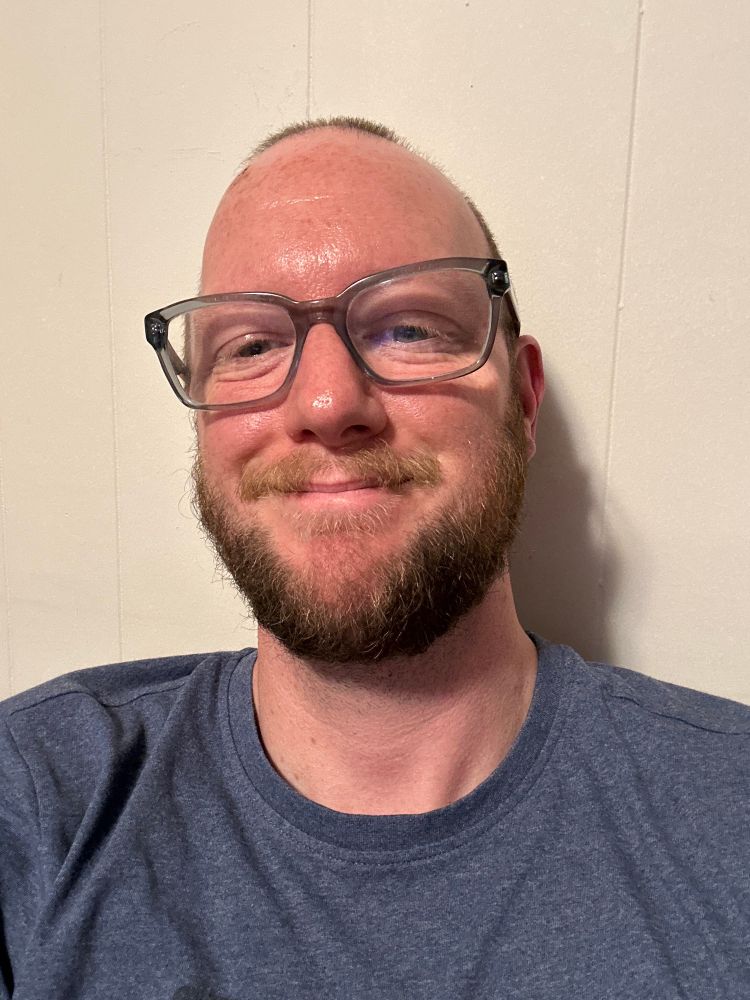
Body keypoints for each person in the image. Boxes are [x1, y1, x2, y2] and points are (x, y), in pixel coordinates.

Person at [1, 117, 748, 1000]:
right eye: (250, 345)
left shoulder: (728, 818)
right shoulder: (38, 802)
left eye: (410, 329)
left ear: (524, 402)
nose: (325, 400)